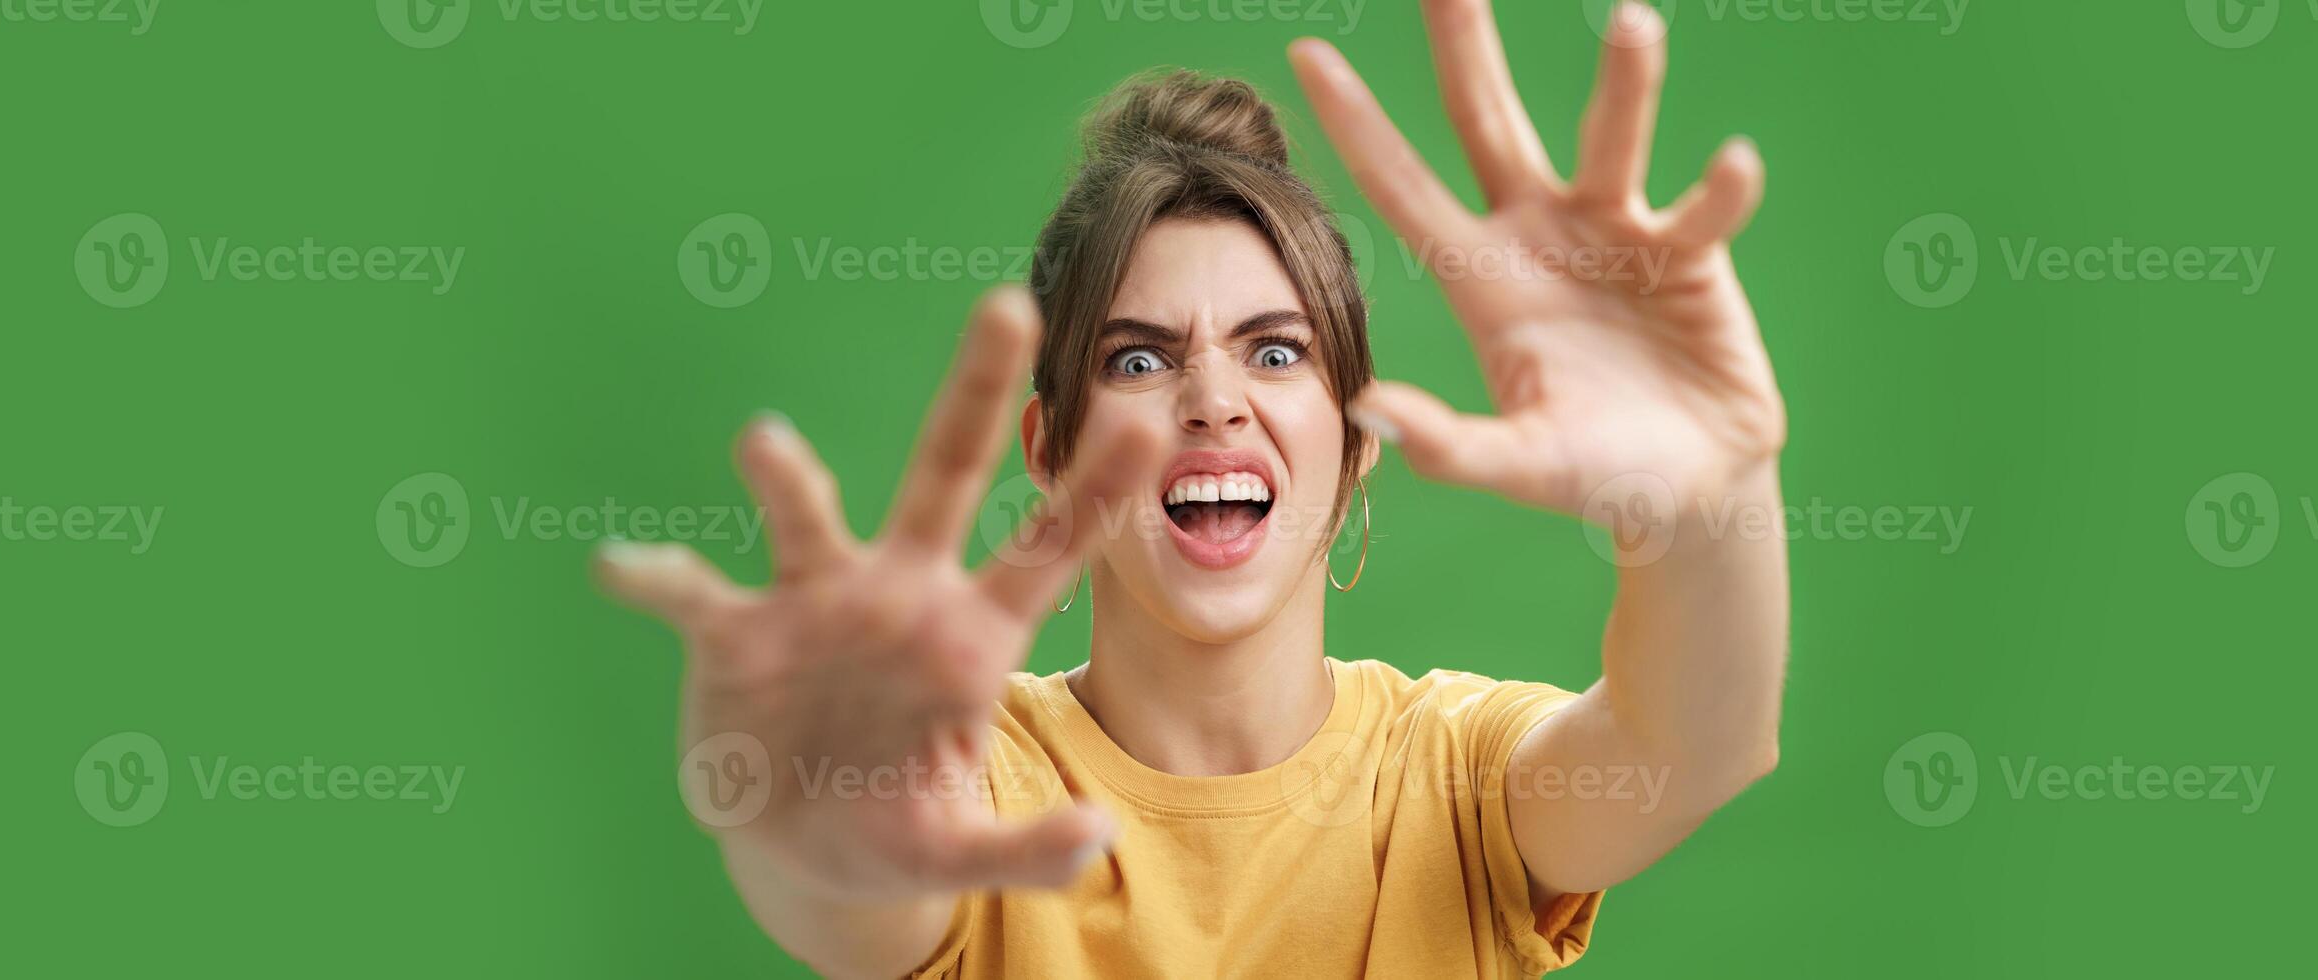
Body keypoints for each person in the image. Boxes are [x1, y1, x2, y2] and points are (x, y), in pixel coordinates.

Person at [596, 1, 1786, 975]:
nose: (1212, 398)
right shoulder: (968, 772)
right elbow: (856, 886)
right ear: (1049, 450)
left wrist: (1706, 497)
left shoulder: (1456, 775)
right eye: (1137, 356)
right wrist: (809, 820)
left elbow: (1695, 739)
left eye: (1276, 351)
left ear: (1353, 440)